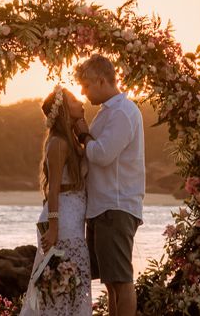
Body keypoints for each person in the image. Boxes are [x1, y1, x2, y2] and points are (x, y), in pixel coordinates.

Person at [73, 54, 145, 316]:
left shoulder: (123, 113)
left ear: (102, 80)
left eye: (87, 85)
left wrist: (82, 133)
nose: (83, 91)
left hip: (115, 206)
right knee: (111, 282)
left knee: (121, 280)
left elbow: (102, 154)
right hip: (102, 207)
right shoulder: (108, 112)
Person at [20, 86, 91, 316]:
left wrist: (84, 134)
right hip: (64, 222)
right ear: (62, 111)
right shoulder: (58, 144)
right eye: (73, 100)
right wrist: (53, 228)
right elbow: (53, 190)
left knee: (71, 287)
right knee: (61, 288)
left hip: (73, 217)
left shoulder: (71, 140)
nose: (81, 102)